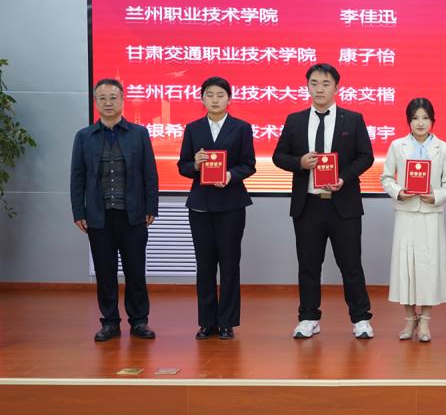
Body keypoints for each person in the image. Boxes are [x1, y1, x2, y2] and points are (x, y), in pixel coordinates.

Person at [273, 63, 375, 339]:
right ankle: (308, 318)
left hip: (344, 204)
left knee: (351, 265)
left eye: (326, 83)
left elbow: (366, 156)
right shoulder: (295, 120)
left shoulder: (352, 119)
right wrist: (300, 162)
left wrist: (343, 177)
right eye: (314, 83)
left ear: (336, 88)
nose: (319, 88)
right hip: (308, 204)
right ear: (307, 86)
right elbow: (278, 156)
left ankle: (360, 319)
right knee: (308, 265)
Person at [71, 79, 158, 341]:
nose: (108, 102)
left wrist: (151, 207)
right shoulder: (84, 136)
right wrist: (79, 212)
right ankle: (109, 322)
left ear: (122, 100)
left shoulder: (139, 133)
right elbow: (77, 177)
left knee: (135, 272)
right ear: (95, 102)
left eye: (113, 97)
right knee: (105, 273)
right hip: (99, 216)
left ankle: (139, 322)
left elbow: (149, 173)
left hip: (133, 214)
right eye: (102, 98)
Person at [177, 77, 256, 340]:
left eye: (220, 95)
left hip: (231, 204)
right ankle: (206, 322)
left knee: (230, 265)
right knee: (205, 266)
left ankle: (227, 322)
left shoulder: (241, 128)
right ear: (202, 98)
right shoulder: (193, 128)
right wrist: (196, 165)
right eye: (209, 94)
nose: (215, 99)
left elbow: (249, 164)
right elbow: (183, 166)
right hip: (200, 206)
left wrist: (231, 175)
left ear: (229, 99)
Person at [380, 98, 446, 342]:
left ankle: (424, 321)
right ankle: (408, 319)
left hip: (431, 214)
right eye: (415, 118)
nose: (420, 123)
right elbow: (386, 178)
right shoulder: (397, 145)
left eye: (425, 118)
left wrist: (435, 196)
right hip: (406, 212)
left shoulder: (444, 148)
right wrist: (399, 192)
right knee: (406, 267)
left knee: (428, 268)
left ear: (432, 120)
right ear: (409, 121)